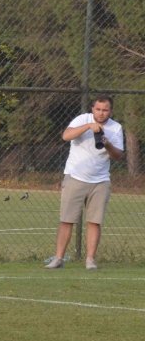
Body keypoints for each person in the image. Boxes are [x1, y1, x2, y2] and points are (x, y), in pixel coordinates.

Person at [45, 95, 124, 270]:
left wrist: (107, 143)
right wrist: (89, 127)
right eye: (98, 109)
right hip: (75, 177)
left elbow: (118, 156)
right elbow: (66, 136)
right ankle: (58, 259)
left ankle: (90, 260)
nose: (101, 113)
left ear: (111, 111)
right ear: (92, 109)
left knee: (95, 221)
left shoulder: (116, 128)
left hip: (101, 181)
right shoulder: (83, 119)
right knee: (67, 219)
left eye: (105, 110)